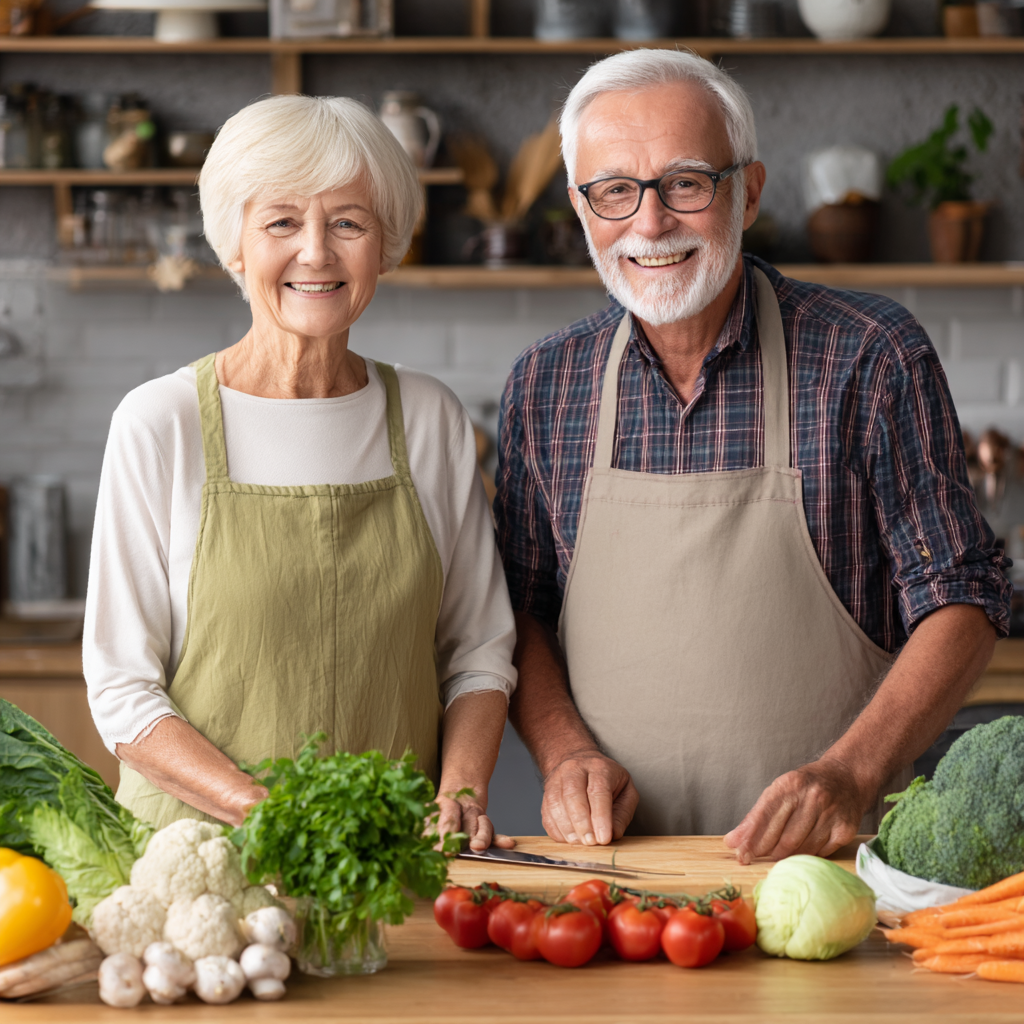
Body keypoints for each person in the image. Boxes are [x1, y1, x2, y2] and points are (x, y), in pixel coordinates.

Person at [494, 49, 1010, 862]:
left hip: (840, 867)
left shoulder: (869, 355)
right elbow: (515, 611)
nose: (650, 222)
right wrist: (564, 754)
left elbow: (965, 598)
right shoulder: (545, 383)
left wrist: (850, 773)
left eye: (688, 182)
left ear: (750, 190)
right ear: (581, 208)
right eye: (615, 191)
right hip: (618, 873)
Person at [84, 95, 517, 851]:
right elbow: (122, 690)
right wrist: (274, 818)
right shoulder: (160, 423)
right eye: (281, 222)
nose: (316, 252)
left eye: (348, 222)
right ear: (235, 245)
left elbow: (478, 648)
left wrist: (461, 792)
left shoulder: (429, 417)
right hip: (202, 860)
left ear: (385, 245)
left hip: (383, 867)